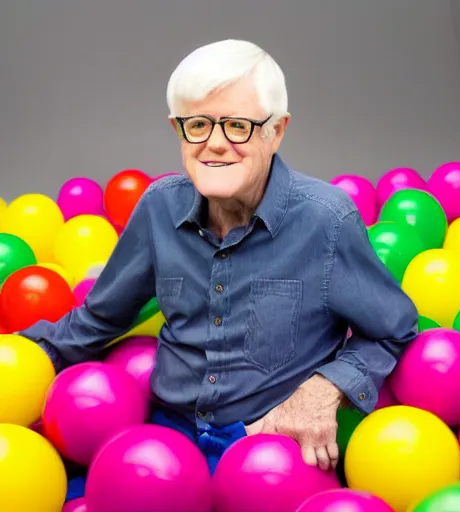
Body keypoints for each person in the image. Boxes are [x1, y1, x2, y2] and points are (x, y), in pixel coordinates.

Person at [18, 39, 418, 477]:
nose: (216, 144)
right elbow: (98, 320)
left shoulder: (327, 219)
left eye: (237, 126)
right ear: (178, 130)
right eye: (198, 125)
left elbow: (394, 327)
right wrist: (22, 357)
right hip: (163, 448)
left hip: (267, 456)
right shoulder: (159, 207)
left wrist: (324, 388)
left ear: (276, 130)